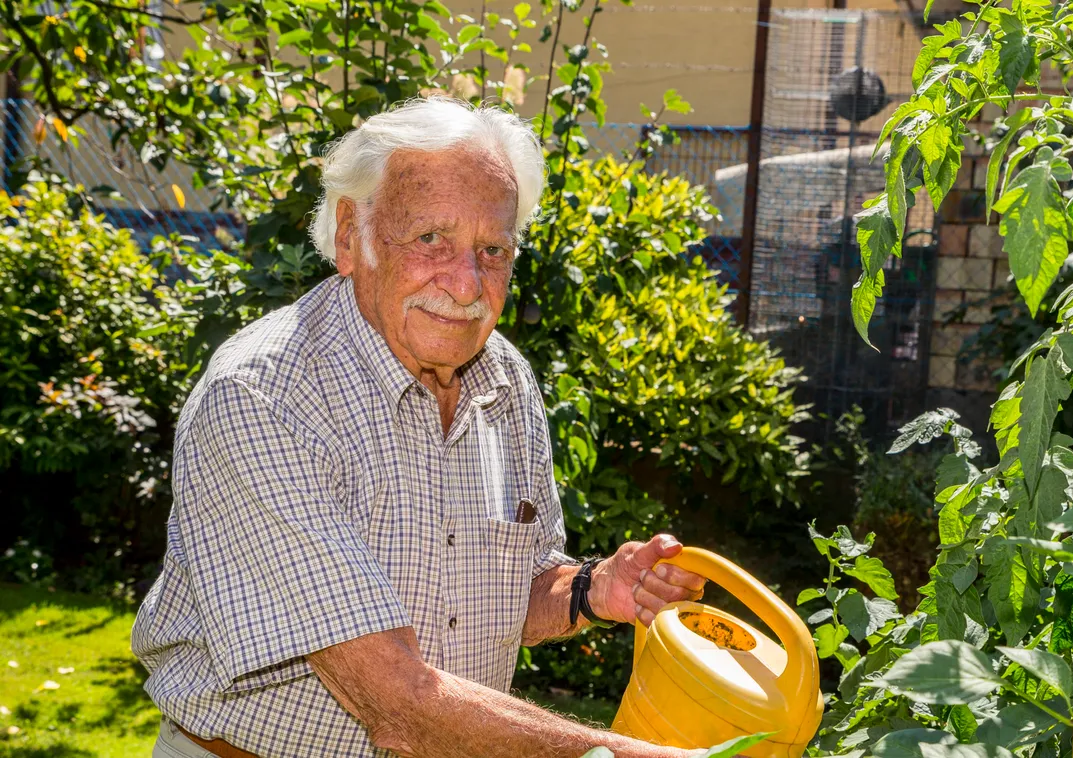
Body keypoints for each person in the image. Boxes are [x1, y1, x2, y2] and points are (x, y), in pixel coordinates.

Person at [132, 98, 708, 758]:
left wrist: (590, 589)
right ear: (351, 236)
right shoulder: (265, 396)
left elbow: (491, 595)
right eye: (430, 239)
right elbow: (399, 705)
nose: (465, 284)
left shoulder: (504, 379)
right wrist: (622, 755)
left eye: (492, 249)